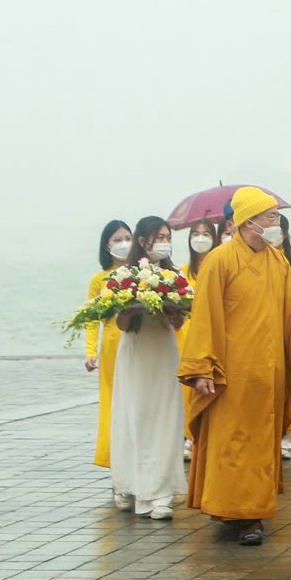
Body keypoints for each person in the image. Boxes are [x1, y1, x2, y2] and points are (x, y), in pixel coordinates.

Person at [177, 186, 291, 545]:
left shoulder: (278, 261)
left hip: (270, 374)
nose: (276, 223)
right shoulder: (219, 260)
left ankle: (253, 511)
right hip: (230, 374)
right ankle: (238, 514)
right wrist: (202, 369)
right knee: (231, 444)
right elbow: (204, 318)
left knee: (261, 444)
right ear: (248, 222)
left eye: (276, 217)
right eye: (270, 217)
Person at [108, 218, 189, 519]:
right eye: (159, 237)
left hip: (164, 351)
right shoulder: (124, 275)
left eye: (168, 237)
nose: (164, 242)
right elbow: (121, 323)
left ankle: (160, 492)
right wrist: (133, 305)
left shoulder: (175, 276)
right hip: (136, 351)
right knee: (135, 416)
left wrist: (171, 310)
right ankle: (130, 484)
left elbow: (180, 322)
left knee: (165, 418)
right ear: (143, 241)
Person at [87, 219, 132, 477]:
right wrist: (91, 351)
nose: (123, 243)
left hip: (138, 343)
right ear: (107, 245)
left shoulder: (142, 274)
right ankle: (115, 463)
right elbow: (91, 318)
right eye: (117, 239)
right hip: (112, 347)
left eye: (127, 237)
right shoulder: (99, 280)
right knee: (112, 406)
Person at [185, 218, 220, 283]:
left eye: (205, 234)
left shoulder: (221, 269)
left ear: (214, 239)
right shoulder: (183, 272)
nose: (200, 239)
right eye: (196, 234)